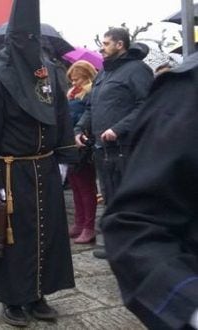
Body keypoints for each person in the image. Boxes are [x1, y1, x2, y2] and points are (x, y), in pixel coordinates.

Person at [0, 0, 77, 326]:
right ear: (12, 40)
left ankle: (39, 293)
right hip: (11, 170)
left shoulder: (46, 74)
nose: (30, 46)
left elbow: (61, 117)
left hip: (44, 167)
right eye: (24, 39)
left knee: (46, 234)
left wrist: (64, 157)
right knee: (14, 239)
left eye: (35, 39)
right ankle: (14, 298)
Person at [100, 52, 198, 330]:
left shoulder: (131, 73)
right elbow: (135, 223)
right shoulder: (188, 89)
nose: (104, 49)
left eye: (107, 44)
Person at [74, 28, 154, 259]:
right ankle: (115, 244)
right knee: (109, 197)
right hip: (102, 149)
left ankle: (136, 246)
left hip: (126, 147)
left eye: (107, 43)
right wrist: (79, 129)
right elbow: (91, 107)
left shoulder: (138, 70)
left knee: (129, 198)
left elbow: (146, 105)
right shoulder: (103, 73)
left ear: (120, 45)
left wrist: (118, 129)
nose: (102, 47)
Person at [66, 60, 98, 244]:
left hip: (83, 144)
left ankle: (88, 226)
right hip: (71, 142)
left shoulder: (90, 94)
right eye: (72, 79)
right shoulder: (72, 94)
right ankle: (79, 222)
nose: (73, 83)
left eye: (76, 79)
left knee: (86, 188)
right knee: (76, 186)